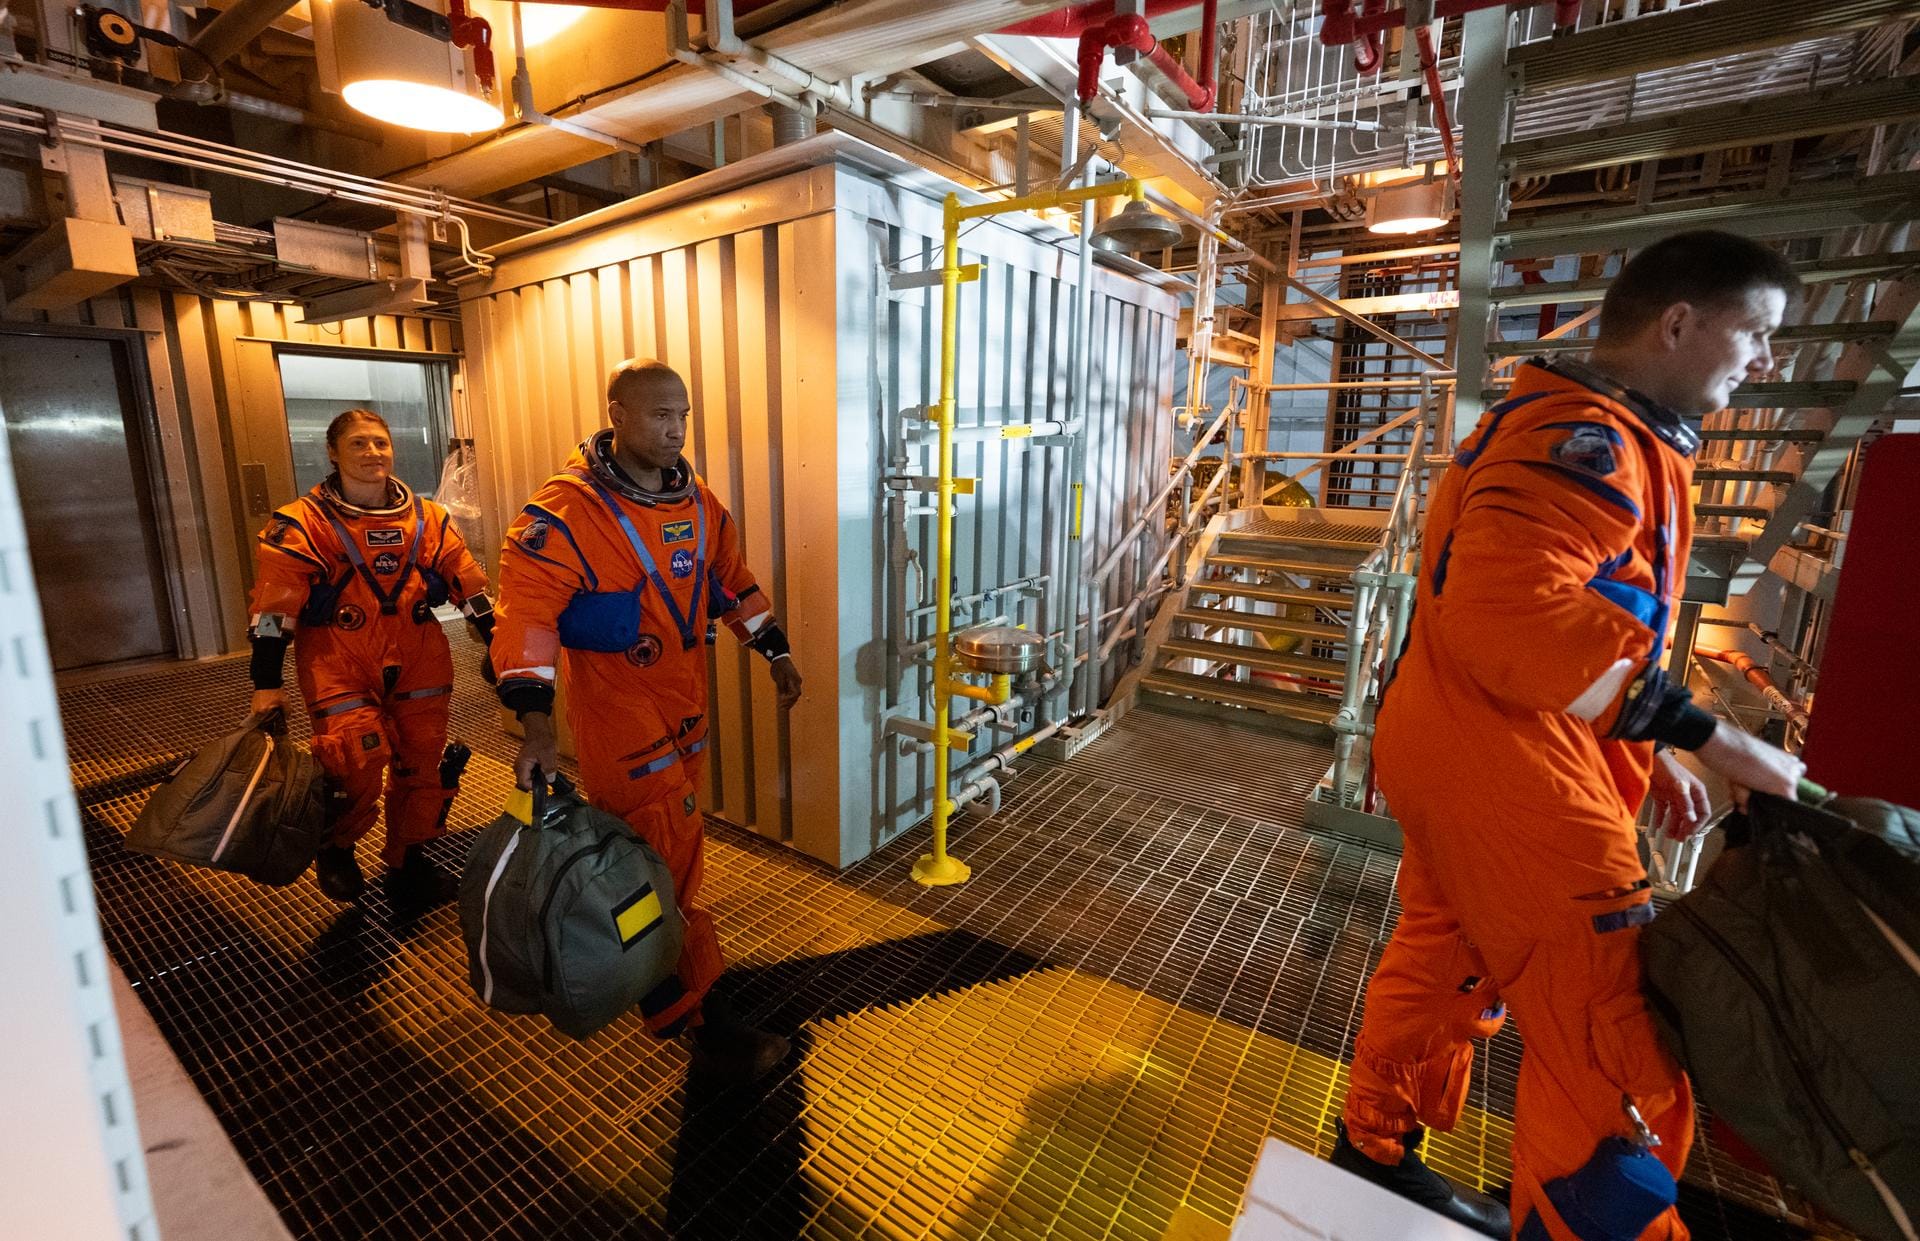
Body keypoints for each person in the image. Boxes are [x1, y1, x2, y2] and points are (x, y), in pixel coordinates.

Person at [1329, 231, 1808, 1240]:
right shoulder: (1588, 440)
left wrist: (1657, 748)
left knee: (1446, 951)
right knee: (1610, 1026)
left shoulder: (1582, 428)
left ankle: (1372, 1146)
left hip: (1462, 739)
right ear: (1678, 324)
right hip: (1505, 763)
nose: (1766, 361)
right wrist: (1720, 740)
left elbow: (1574, 611)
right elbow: (1512, 612)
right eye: (1756, 334)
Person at [492, 358, 803, 1081]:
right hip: (622, 717)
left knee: (675, 850)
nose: (675, 429)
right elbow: (527, 620)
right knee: (661, 859)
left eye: (684, 414)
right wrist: (536, 724)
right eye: (660, 414)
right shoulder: (564, 517)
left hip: (687, 704)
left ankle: (666, 984)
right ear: (618, 416)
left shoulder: (696, 503)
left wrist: (775, 652)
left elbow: (733, 582)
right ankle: (692, 1012)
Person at [248, 409, 494, 902]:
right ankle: (336, 845)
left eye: (380, 443)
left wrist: (498, 645)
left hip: (419, 656)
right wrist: (266, 684)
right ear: (333, 453)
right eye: (358, 444)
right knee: (354, 760)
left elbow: (472, 588)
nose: (372, 453)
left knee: (422, 765)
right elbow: (273, 614)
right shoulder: (302, 525)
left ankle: (410, 858)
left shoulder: (429, 520)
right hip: (338, 662)